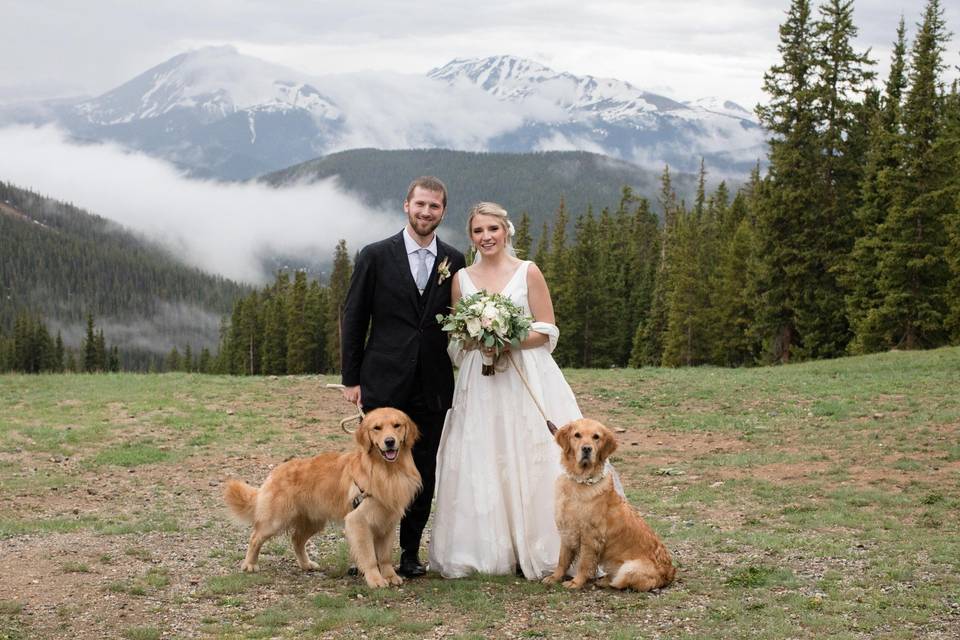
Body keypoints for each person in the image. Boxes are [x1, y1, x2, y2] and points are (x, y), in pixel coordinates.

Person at [428, 202, 586, 580]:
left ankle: (543, 546)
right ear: (471, 237)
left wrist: (507, 339)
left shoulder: (528, 272)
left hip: (526, 377)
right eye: (479, 231)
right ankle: (486, 550)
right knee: (483, 455)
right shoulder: (462, 278)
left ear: (506, 231)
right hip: (479, 382)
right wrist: (476, 341)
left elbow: (548, 331)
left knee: (532, 453)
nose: (486, 237)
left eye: (493, 230)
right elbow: (454, 340)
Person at [340, 176, 466, 578]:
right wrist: (351, 378)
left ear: (443, 212)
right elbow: (354, 317)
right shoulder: (375, 255)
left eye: (434, 207)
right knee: (370, 471)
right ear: (406, 206)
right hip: (383, 380)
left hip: (432, 384)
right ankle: (366, 557)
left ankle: (409, 552)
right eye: (420, 205)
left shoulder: (455, 260)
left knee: (422, 472)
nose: (426, 212)